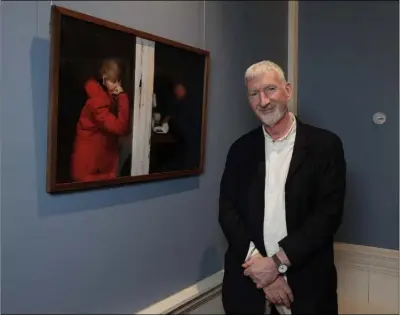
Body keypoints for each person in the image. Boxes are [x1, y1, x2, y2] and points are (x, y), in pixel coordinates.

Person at [219, 60, 346, 314]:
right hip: (248, 285)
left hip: (308, 283)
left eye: (270, 90)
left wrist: (276, 263)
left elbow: (327, 216)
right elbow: (227, 211)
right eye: (254, 94)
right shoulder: (240, 149)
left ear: (287, 91)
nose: (263, 101)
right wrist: (264, 273)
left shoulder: (325, 146)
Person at [70, 58, 130, 182]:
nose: (116, 85)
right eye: (112, 81)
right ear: (103, 79)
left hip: (96, 164)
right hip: (90, 167)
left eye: (117, 81)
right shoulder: (97, 101)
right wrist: (122, 96)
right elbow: (120, 127)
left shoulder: (104, 97)